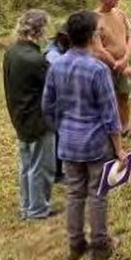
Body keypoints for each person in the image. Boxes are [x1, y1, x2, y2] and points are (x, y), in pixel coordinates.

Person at [42, 10, 128, 260]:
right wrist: (119, 149)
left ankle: (75, 244)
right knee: (98, 194)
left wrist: (64, 127)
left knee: (74, 193)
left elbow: (47, 106)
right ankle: (100, 245)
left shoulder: (56, 66)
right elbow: (111, 115)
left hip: (68, 143)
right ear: (93, 37)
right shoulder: (97, 70)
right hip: (94, 144)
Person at [2, 9, 56, 220]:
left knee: (27, 165)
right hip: (37, 119)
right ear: (39, 30)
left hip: (20, 116)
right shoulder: (35, 60)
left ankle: (27, 207)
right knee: (42, 167)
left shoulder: (12, 51)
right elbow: (54, 85)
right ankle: (37, 210)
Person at [92, 0, 131, 138]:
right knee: (106, 98)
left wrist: (125, 59)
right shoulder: (94, 19)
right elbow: (98, 50)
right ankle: (107, 130)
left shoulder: (120, 14)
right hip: (104, 67)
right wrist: (118, 65)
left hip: (122, 64)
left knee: (123, 95)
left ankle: (125, 127)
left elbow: (130, 37)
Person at [45, 24, 71, 183]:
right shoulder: (52, 53)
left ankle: (60, 170)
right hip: (54, 100)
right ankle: (56, 173)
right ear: (62, 37)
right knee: (56, 136)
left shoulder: (65, 48)